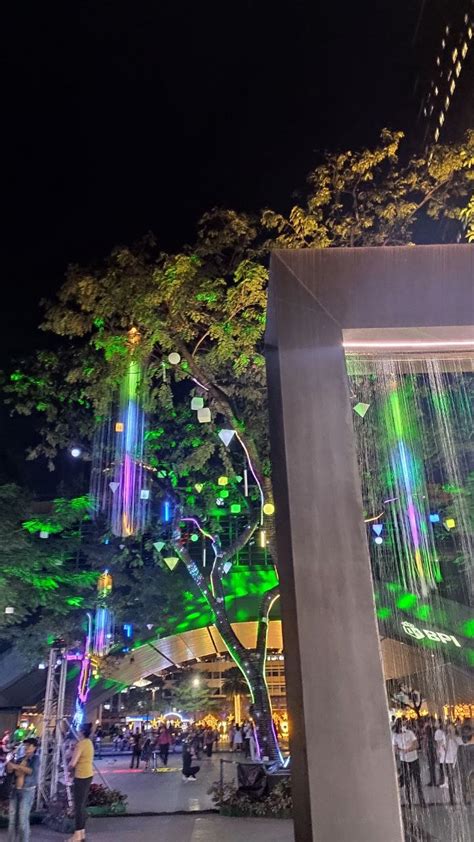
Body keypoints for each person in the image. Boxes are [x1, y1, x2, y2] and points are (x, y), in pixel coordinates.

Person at [7, 737, 39, 842]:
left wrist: (16, 767)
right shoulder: (20, 759)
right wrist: (10, 766)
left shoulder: (35, 759)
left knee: (22, 820)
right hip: (15, 790)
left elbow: (31, 771)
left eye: (29, 746)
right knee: (12, 820)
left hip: (27, 791)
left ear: (34, 747)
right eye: (25, 746)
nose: (26, 748)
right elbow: (11, 771)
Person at [68, 722, 95, 842]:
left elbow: (73, 763)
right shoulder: (89, 743)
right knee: (82, 805)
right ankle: (82, 832)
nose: (77, 733)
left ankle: (77, 834)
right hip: (88, 774)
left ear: (82, 732)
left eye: (79, 731)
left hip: (81, 776)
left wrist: (69, 768)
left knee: (78, 806)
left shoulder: (81, 744)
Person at [392, 719, 426, 808]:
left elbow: (416, 744)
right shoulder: (395, 736)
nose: (404, 726)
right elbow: (395, 748)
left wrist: (408, 749)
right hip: (404, 761)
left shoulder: (410, 733)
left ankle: (422, 801)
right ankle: (410, 802)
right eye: (402, 724)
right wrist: (400, 750)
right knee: (408, 783)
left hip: (414, 759)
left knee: (417, 781)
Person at [435, 721, 461, 805]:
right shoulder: (444, 736)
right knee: (449, 778)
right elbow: (442, 746)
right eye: (448, 729)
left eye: (451, 729)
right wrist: (441, 747)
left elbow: (460, 743)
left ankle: (456, 795)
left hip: (453, 760)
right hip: (446, 759)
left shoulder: (457, 737)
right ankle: (452, 797)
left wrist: (452, 737)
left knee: (453, 778)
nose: (449, 730)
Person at [424, 716, 439, 787]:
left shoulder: (431, 729)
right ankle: (433, 780)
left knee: (432, 765)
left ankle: (433, 781)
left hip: (431, 748)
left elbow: (429, 738)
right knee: (431, 765)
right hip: (430, 748)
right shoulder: (432, 728)